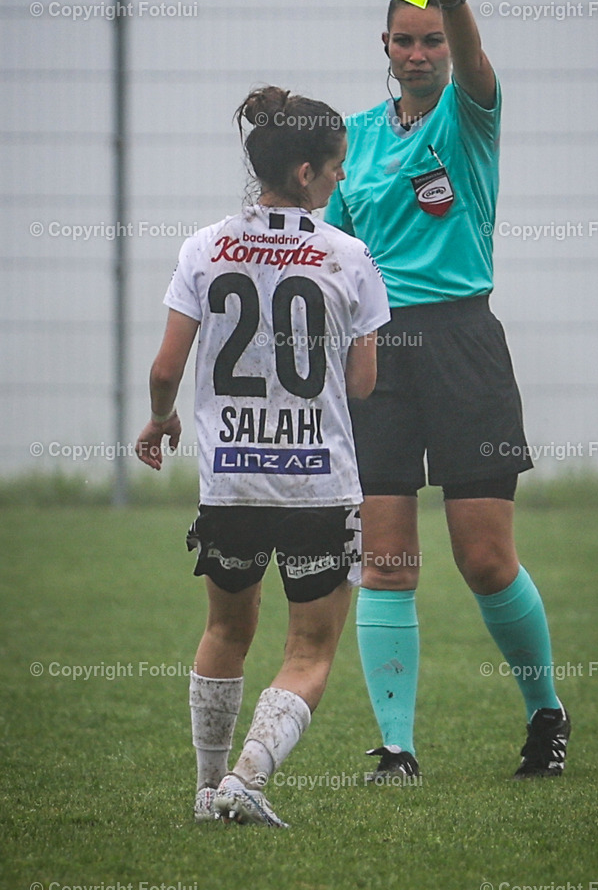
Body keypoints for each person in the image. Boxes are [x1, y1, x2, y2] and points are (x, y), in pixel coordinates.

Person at [325, 0, 570, 781]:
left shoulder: (469, 117)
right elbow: (332, 254)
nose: (420, 52)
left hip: (465, 343)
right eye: (406, 39)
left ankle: (546, 715)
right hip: (376, 354)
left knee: (484, 558)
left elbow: (475, 62)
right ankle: (396, 749)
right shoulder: (352, 138)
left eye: (433, 38)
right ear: (384, 46)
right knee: (385, 559)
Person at [135, 86, 390, 827]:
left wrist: (159, 422)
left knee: (225, 631)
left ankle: (206, 791)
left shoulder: (204, 246)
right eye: (337, 168)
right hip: (317, 483)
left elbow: (162, 372)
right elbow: (364, 384)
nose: (341, 179)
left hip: (231, 483)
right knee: (309, 648)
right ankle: (247, 778)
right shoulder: (348, 256)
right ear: (307, 172)